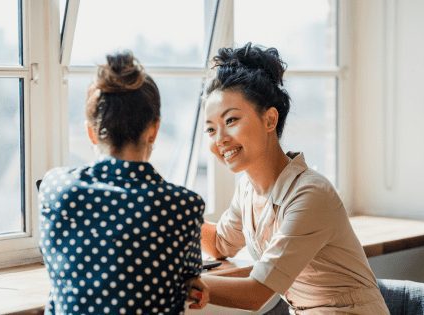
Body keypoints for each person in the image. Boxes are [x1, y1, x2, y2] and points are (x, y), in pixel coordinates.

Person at [200, 43, 389, 314]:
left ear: (269, 120)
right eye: (210, 129)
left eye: (231, 121)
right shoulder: (248, 191)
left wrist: (175, 284)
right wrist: (170, 210)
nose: (220, 139)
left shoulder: (310, 193)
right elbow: (220, 243)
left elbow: (256, 294)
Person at [38, 51, 208, 314]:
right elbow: (188, 277)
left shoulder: (55, 187)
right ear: (153, 130)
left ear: (91, 132)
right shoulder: (183, 206)